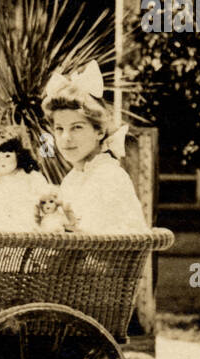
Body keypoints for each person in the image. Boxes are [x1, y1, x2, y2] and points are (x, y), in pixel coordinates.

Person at [42, 61, 147, 232]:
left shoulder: (108, 177)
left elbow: (106, 245)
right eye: (59, 129)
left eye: (77, 127)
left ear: (99, 131)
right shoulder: (74, 178)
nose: (65, 138)